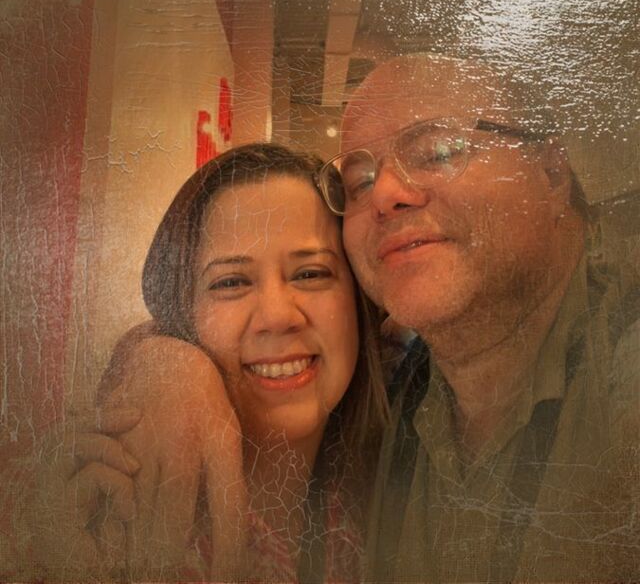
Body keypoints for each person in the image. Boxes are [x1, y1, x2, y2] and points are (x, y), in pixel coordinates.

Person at [314, 54, 640, 582]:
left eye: (437, 152)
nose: (385, 195)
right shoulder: (383, 386)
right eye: (359, 183)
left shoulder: (624, 374)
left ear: (551, 173)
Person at [30, 143, 388, 582]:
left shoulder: (396, 479)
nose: (278, 316)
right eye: (230, 282)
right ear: (184, 312)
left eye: (310, 273)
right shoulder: (104, 514)